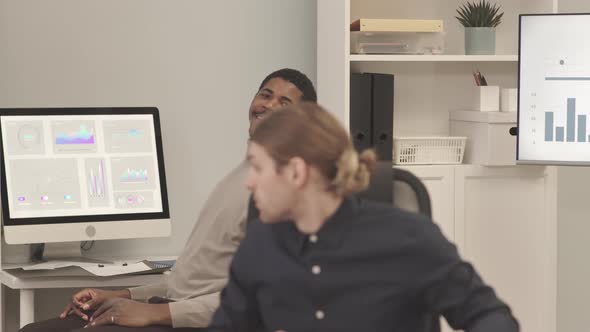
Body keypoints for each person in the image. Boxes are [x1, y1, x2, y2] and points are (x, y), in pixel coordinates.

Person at [19, 68, 317, 332]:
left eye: (284, 104)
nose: (268, 105)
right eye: (265, 95)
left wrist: (154, 313)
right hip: (175, 308)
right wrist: (122, 296)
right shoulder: (241, 175)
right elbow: (188, 283)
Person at [207, 102, 520, 332]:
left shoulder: (409, 239)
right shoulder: (259, 245)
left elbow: (491, 317)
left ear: (296, 172)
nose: (249, 182)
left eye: (258, 167)